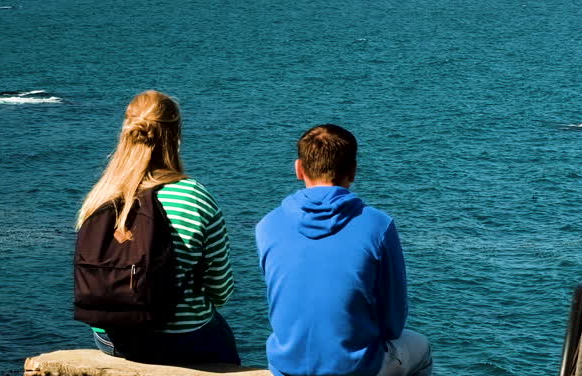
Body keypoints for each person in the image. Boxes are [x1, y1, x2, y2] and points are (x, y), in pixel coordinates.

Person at [75, 90, 239, 365]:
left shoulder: (99, 196)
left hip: (110, 337)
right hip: (177, 337)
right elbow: (220, 290)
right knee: (220, 332)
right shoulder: (193, 196)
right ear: (175, 135)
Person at [256, 124, 433, 376]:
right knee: (421, 348)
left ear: (298, 168)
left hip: (286, 366)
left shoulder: (267, 225)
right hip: (354, 368)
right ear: (353, 170)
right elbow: (393, 321)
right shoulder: (378, 226)